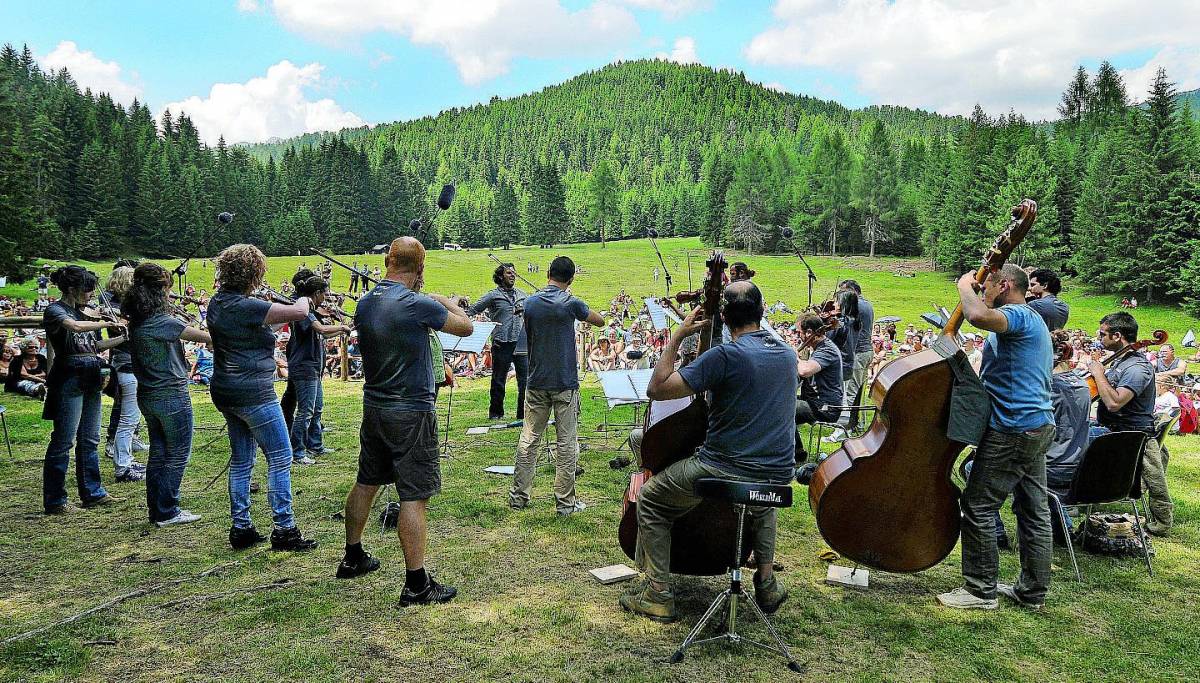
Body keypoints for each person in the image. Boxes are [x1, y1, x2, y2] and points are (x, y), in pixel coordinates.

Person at [620, 281, 796, 622]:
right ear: (762, 312)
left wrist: (679, 335)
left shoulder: (727, 355)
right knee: (760, 498)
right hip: (777, 476)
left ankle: (657, 594)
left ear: (723, 317)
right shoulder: (787, 355)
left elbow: (657, 388)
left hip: (725, 469)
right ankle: (767, 582)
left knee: (651, 498)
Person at [337, 237, 474, 607]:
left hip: (375, 407)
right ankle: (416, 583)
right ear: (421, 268)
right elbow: (466, 328)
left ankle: (352, 556)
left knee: (366, 481)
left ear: (387, 261)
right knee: (414, 495)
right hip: (411, 410)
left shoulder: (365, 303)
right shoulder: (418, 305)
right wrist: (446, 301)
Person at [938, 264, 1054, 611]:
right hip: (1035, 425)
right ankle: (1031, 592)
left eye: (985, 286)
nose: (981, 292)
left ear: (1003, 285)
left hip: (1014, 429)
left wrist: (963, 284)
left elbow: (975, 315)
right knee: (1034, 510)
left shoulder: (1018, 314)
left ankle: (979, 589)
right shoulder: (1026, 320)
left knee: (978, 505)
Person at [207, 244, 318, 552]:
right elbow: (299, 312)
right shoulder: (248, 307)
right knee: (280, 457)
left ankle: (241, 527)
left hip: (225, 389)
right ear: (254, 274)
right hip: (254, 391)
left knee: (242, 460)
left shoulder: (218, 303)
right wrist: (305, 295)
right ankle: (285, 529)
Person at [509, 256, 604, 514]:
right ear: (571, 278)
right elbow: (599, 321)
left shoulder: (530, 303)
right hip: (564, 382)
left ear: (548, 273)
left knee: (529, 440)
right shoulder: (572, 303)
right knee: (566, 443)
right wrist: (573, 301)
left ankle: (519, 497)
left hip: (536, 381)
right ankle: (565, 503)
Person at [124, 263, 212, 527]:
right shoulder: (162, 322)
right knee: (177, 454)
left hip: (148, 394)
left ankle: (158, 509)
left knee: (159, 453)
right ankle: (168, 510)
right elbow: (208, 337)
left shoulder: (139, 321)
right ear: (159, 292)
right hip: (171, 394)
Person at [41, 266, 129, 513]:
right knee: (63, 440)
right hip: (69, 376)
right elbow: (76, 328)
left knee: (90, 438)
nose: (91, 294)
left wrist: (123, 337)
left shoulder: (85, 313)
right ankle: (55, 500)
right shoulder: (56, 311)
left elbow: (95, 345)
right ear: (71, 289)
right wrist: (104, 320)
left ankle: (93, 492)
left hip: (92, 374)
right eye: (87, 290)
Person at [1088, 312, 1172, 535]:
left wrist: (1098, 374)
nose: (1099, 338)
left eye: (1103, 334)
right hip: (1114, 429)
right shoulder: (1123, 361)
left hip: (1128, 435)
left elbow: (1115, 402)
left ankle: (1072, 496)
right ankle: (1082, 498)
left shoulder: (1137, 368)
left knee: (1072, 439)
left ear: (1117, 336)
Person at [287, 270, 351, 464]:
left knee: (316, 409)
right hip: (304, 367)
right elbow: (321, 329)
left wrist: (346, 328)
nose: (325, 298)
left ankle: (315, 445)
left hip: (313, 367)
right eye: (324, 293)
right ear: (316, 293)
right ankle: (297, 452)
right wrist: (341, 327)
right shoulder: (304, 311)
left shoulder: (310, 310)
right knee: (305, 411)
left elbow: (323, 334)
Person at [466, 263, 529, 421]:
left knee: (525, 380)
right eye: (509, 273)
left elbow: (532, 312)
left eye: (514, 273)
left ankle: (523, 414)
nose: (513, 275)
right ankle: (496, 413)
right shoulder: (492, 295)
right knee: (499, 379)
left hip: (520, 342)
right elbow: (473, 310)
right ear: (500, 276)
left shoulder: (523, 295)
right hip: (502, 342)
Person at [101, 266, 146, 483]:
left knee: (132, 417)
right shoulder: (116, 308)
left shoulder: (127, 306)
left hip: (131, 362)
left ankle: (126, 458)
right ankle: (122, 466)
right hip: (126, 363)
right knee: (128, 419)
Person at [793, 313, 844, 465]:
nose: (798, 335)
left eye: (799, 332)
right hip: (814, 402)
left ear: (809, 333)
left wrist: (794, 356)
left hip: (825, 408)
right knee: (779, 403)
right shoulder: (817, 348)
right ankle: (797, 452)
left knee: (780, 409)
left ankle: (796, 454)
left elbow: (804, 371)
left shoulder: (827, 350)